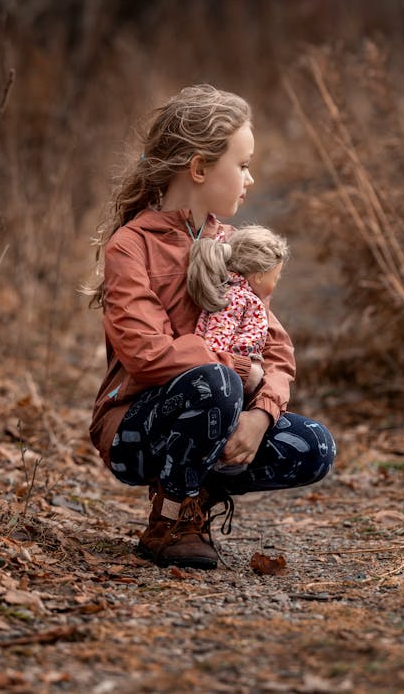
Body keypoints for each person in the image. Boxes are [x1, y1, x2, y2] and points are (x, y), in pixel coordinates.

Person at [88, 83, 335, 570]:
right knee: (214, 382)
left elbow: (278, 354)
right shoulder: (130, 247)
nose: (250, 177)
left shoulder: (237, 247)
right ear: (199, 168)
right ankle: (172, 519)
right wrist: (241, 371)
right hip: (136, 429)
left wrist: (260, 414)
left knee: (315, 446)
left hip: (220, 412)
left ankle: (195, 487)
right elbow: (148, 354)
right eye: (241, 165)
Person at [188, 225, 289, 363]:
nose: (275, 283)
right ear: (259, 277)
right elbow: (215, 343)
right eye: (275, 277)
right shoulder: (236, 298)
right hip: (224, 377)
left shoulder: (243, 297)